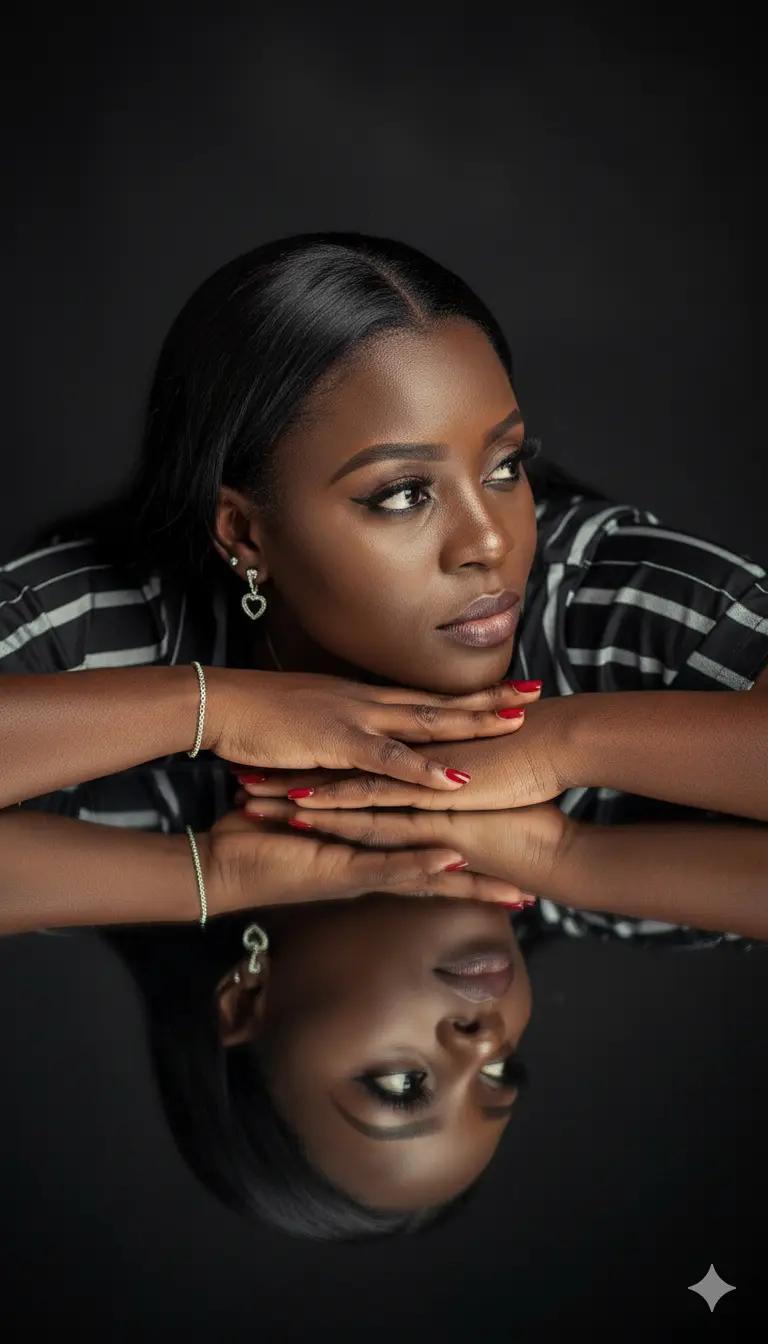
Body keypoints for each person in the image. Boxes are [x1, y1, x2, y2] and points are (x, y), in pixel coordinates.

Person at [2, 231, 767, 1241]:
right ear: (243, 533)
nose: (490, 541)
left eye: (505, 465)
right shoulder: (121, 613)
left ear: (246, 1015)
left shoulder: (590, 588)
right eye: (404, 493)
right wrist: (213, 708)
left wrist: (565, 744)